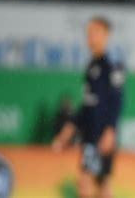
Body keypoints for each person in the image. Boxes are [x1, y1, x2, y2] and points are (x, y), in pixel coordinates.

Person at [52, 16, 124, 198]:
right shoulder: (92, 65)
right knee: (101, 183)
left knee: (88, 182)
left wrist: (110, 129)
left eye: (94, 33)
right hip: (90, 133)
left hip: (100, 134)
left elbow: (116, 99)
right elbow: (88, 104)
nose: (90, 37)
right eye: (88, 33)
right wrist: (71, 127)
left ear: (106, 35)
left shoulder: (111, 64)